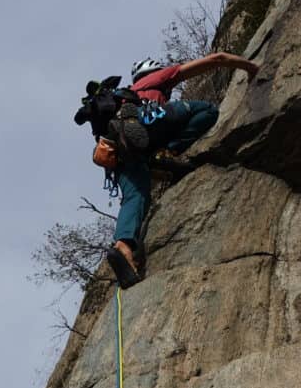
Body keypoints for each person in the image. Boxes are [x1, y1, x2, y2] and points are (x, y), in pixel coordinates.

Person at [76, 52, 259, 288]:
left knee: (135, 197)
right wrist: (250, 67)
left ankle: (123, 248)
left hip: (117, 148)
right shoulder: (157, 79)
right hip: (145, 122)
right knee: (207, 110)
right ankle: (168, 152)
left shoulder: (121, 99)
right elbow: (217, 59)